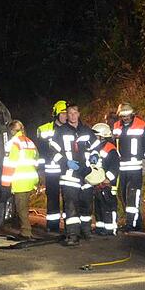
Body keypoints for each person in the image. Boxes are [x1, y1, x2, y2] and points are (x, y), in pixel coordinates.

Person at [49, 104, 94, 246]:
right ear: (67, 115)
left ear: (79, 114)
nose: (73, 116)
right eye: (70, 113)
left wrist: (95, 157)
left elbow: (96, 147)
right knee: (71, 205)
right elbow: (53, 153)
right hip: (69, 175)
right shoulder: (59, 132)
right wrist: (65, 163)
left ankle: (86, 231)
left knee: (86, 204)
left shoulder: (86, 130)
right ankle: (73, 235)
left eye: (75, 113)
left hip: (86, 174)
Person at [112, 102, 145, 232]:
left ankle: (132, 223)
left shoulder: (142, 126)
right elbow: (113, 146)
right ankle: (137, 221)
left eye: (127, 115)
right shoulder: (116, 127)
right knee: (123, 196)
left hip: (136, 167)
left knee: (133, 195)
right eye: (123, 115)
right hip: (121, 168)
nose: (125, 118)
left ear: (132, 114)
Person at [0, 120, 40, 240]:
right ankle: (24, 229)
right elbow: (37, 159)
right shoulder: (29, 142)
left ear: (12, 130)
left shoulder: (13, 143)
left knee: (21, 208)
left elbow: (9, 164)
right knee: (24, 206)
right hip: (31, 179)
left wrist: (5, 183)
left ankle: (26, 232)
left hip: (20, 180)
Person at [36, 100, 68, 232]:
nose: (65, 116)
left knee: (68, 197)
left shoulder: (71, 128)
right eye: (62, 113)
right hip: (51, 170)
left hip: (67, 169)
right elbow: (42, 152)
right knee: (53, 198)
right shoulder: (45, 129)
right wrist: (41, 170)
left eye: (67, 113)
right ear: (56, 114)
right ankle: (53, 226)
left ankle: (69, 225)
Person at [88, 123, 120, 236]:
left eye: (95, 135)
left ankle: (110, 228)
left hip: (107, 185)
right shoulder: (95, 148)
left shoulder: (110, 149)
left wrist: (107, 179)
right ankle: (100, 227)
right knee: (98, 206)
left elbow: (115, 166)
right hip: (98, 183)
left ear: (101, 136)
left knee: (108, 206)